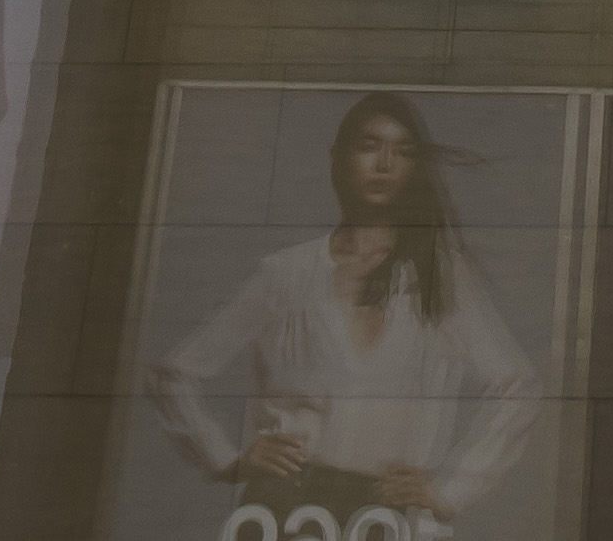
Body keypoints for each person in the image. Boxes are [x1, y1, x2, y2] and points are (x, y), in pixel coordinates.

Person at [150, 92, 538, 535]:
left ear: (415, 168)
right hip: (283, 503)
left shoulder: (443, 276)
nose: (385, 164)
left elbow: (518, 386)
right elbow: (173, 374)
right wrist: (227, 460)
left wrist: (451, 491)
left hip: (382, 513)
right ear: (338, 156)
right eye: (369, 146)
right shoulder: (286, 273)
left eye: (404, 151)